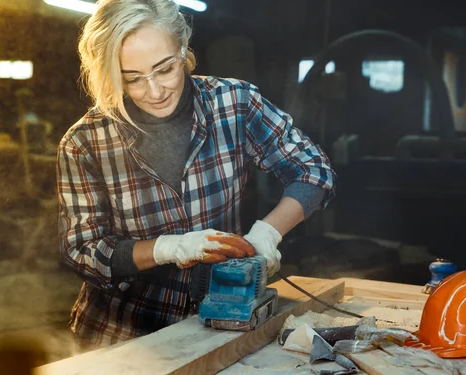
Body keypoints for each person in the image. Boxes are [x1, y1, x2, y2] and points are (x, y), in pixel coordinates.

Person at [57, 0, 336, 351]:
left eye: (165, 69)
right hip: (121, 338)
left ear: (184, 51)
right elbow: (82, 250)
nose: (155, 91)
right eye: (132, 79)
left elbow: (313, 170)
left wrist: (266, 234)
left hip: (218, 327)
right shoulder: (85, 141)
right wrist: (167, 248)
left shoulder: (233, 103)